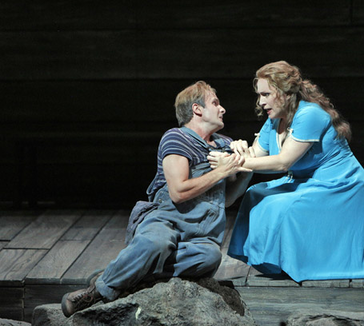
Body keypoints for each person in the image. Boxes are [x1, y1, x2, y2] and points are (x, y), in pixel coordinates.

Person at [61, 81, 252, 317]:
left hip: (201, 234)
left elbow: (224, 200)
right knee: (156, 244)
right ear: (197, 109)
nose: (222, 109)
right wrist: (222, 171)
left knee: (210, 258)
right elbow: (178, 192)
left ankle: (124, 272)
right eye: (215, 102)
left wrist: (247, 169)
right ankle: (97, 292)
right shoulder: (178, 138)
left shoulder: (225, 144)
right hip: (165, 221)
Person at [209, 61, 364, 282]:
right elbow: (255, 155)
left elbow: (283, 162)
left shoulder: (309, 114)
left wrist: (234, 162)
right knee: (255, 194)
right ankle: (276, 263)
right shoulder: (274, 121)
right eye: (259, 95)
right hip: (307, 181)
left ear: (284, 93)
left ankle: (303, 263)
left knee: (280, 205)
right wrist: (238, 151)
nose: (261, 102)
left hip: (340, 185)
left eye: (265, 94)